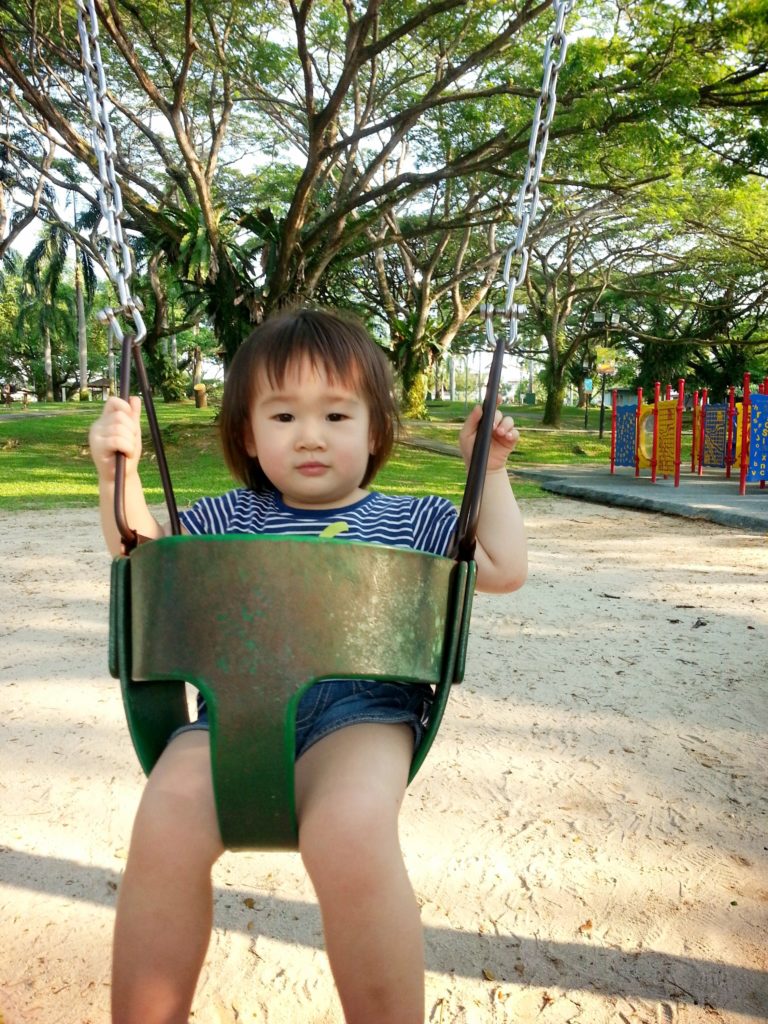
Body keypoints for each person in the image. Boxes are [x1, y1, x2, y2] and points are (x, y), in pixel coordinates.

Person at [89, 307, 527, 1024]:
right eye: (284, 415)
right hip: (238, 714)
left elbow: (504, 569)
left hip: (362, 717)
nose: (311, 436)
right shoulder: (230, 516)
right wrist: (120, 470)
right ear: (249, 437)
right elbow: (138, 549)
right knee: (165, 815)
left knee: (349, 830)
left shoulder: (412, 520)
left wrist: (495, 472)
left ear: (375, 430)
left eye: (337, 415)